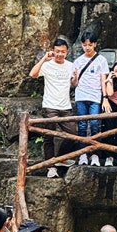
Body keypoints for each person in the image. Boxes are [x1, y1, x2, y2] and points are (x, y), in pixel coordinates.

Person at [29, 37, 79, 178]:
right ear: (53, 51)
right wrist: (44, 59)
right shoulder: (47, 65)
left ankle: (61, 159)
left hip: (65, 106)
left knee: (73, 134)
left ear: (67, 52)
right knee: (49, 136)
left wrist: (75, 77)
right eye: (57, 51)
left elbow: (74, 83)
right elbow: (32, 74)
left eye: (62, 51)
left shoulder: (70, 65)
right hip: (50, 105)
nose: (59, 54)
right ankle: (50, 167)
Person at [72, 29, 110, 167]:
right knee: (82, 125)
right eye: (84, 45)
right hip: (81, 96)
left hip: (95, 96)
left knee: (94, 124)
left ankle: (95, 154)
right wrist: (75, 78)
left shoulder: (101, 60)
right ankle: (82, 154)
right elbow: (74, 83)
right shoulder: (78, 61)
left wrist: (105, 97)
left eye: (90, 44)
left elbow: (103, 80)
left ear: (95, 44)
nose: (87, 47)